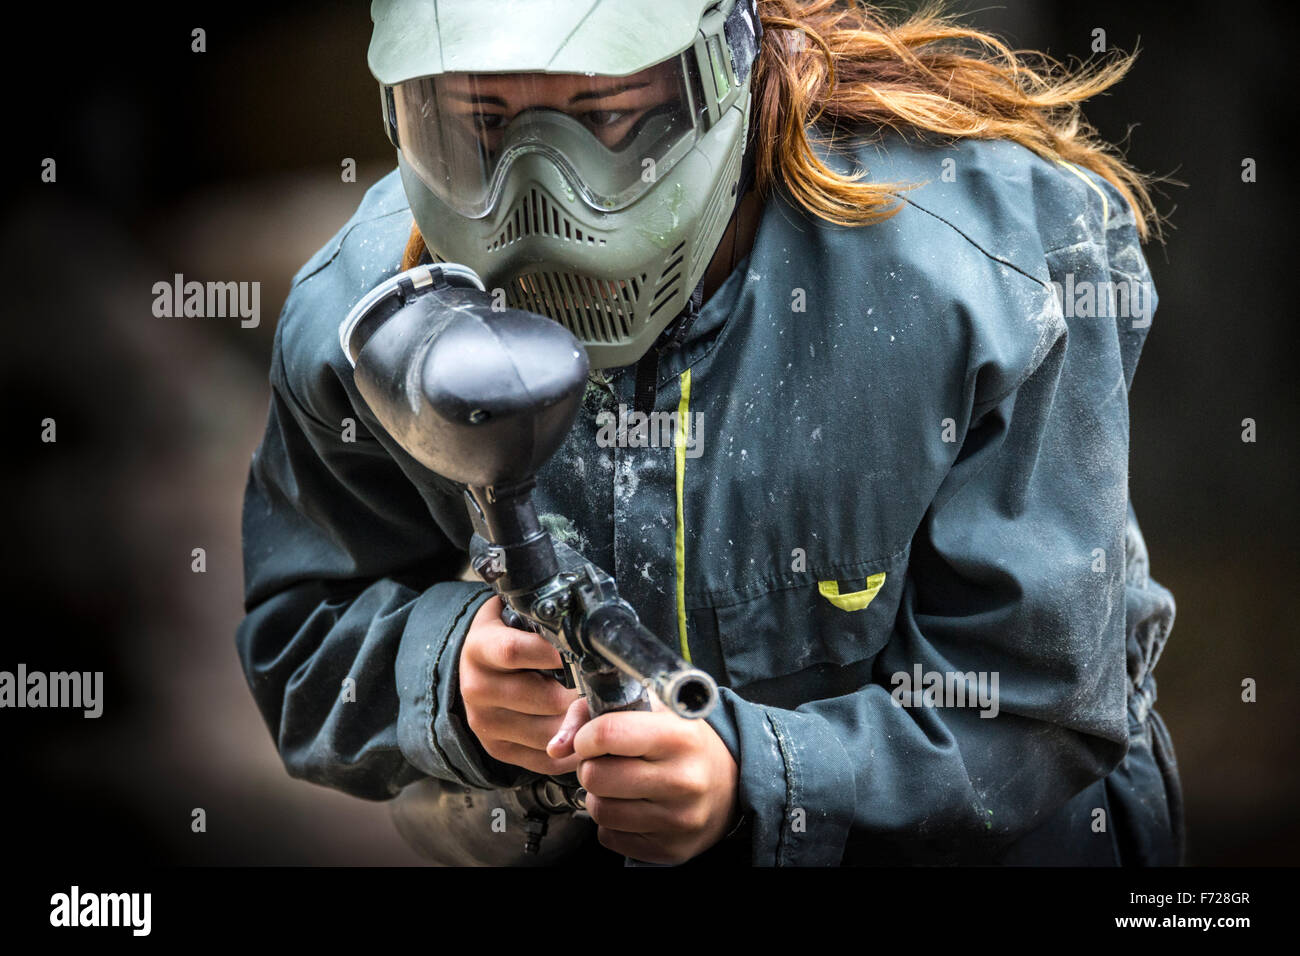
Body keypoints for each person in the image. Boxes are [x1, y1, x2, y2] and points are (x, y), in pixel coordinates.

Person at [236, 0, 1183, 866]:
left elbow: (1036, 708)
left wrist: (760, 779)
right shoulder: (367, 319)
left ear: (722, 67)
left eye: (605, 117)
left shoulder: (985, 272)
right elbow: (299, 640)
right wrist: (452, 680)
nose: (537, 197)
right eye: (481, 125)